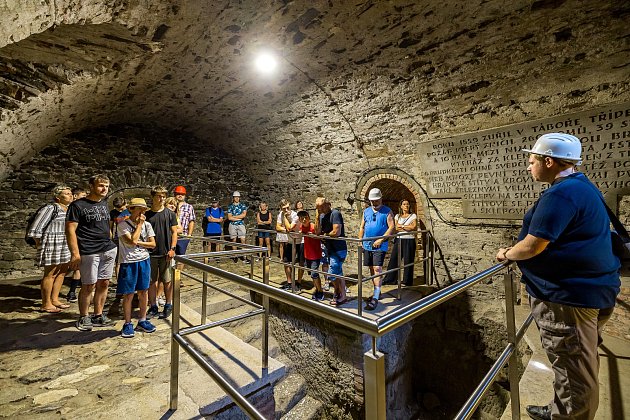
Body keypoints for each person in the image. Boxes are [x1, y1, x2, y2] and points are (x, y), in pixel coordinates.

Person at [495, 133, 620, 420]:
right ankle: (559, 410)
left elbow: (534, 244)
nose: (528, 167)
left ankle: (569, 414)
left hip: (567, 298)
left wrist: (506, 253)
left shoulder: (561, 194)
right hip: (590, 290)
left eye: (531, 161)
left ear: (548, 161)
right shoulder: (582, 186)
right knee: (575, 362)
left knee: (573, 368)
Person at [66, 174, 117, 331]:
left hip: (107, 249)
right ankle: (83, 316)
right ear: (92, 186)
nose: (104, 189)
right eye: (101, 185)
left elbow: (105, 225)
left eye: (107, 186)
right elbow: (70, 230)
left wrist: (110, 240)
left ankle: (98, 315)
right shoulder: (78, 206)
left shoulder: (103, 203)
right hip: (89, 250)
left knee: (104, 282)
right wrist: (75, 253)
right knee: (89, 285)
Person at [28, 185, 73, 313]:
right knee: (50, 273)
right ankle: (46, 303)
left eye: (70, 193)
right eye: (66, 193)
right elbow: (36, 228)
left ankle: (55, 299)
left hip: (65, 243)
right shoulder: (51, 208)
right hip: (53, 243)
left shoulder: (69, 209)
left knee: (62, 271)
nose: (70, 195)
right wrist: (39, 244)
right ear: (58, 197)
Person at [116, 198, 156, 338]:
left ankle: (142, 319)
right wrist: (139, 226)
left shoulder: (148, 225)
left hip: (144, 260)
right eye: (138, 208)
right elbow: (132, 242)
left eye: (143, 209)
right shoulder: (122, 225)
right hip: (129, 262)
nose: (141, 211)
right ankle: (127, 323)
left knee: (143, 292)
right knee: (128, 294)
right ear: (131, 209)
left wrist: (139, 241)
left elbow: (153, 244)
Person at [359, 188, 395, 311]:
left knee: (377, 268)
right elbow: (362, 226)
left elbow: (391, 227)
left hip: (380, 245)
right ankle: (377, 290)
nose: (374, 203)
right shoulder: (366, 211)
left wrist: (381, 239)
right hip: (367, 244)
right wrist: (360, 240)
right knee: (371, 268)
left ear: (381, 199)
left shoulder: (387, 211)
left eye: (376, 200)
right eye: (372, 201)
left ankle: (375, 297)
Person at [146, 186, 178, 319]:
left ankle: (168, 304)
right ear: (153, 197)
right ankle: (153, 306)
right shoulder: (147, 215)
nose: (162, 199)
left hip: (165, 252)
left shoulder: (170, 214)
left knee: (167, 280)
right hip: (151, 253)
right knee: (151, 281)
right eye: (159, 196)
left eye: (164, 196)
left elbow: (174, 232)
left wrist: (172, 249)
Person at [315, 196, 348, 306]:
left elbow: (336, 232)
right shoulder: (322, 216)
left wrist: (326, 235)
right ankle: (342, 295)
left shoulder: (335, 213)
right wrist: (317, 216)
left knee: (332, 274)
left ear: (327, 204)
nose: (321, 210)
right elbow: (317, 232)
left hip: (338, 248)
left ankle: (337, 292)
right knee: (339, 273)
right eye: (318, 208)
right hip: (330, 249)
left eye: (322, 208)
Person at [383, 199, 418, 286]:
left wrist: (401, 226)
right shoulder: (397, 216)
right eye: (404, 204)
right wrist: (406, 227)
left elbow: (413, 227)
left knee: (408, 260)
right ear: (401, 206)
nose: (406, 206)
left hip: (409, 239)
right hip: (399, 239)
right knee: (394, 259)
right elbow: (395, 228)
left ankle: (407, 281)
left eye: (407, 204)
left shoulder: (413, 216)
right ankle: (390, 279)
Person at [65, 186, 87, 302]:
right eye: (83, 196)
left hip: (79, 241)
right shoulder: (68, 209)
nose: (85, 198)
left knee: (77, 268)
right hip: (68, 242)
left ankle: (72, 292)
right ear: (75, 196)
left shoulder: (82, 208)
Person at [298, 210, 324, 301]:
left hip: (315, 254)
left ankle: (320, 291)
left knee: (314, 274)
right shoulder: (302, 227)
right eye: (302, 218)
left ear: (309, 218)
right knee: (312, 275)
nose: (304, 219)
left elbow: (319, 234)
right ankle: (317, 289)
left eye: (306, 217)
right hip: (307, 254)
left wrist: (314, 235)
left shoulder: (313, 227)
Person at [277, 199, 300, 291]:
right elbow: (277, 227)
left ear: (289, 205)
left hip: (299, 241)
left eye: (287, 208)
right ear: (281, 209)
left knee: (300, 263)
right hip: (290, 241)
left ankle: (298, 282)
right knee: (286, 262)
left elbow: (290, 228)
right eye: (284, 209)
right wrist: (285, 229)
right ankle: (289, 282)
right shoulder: (281, 214)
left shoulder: (295, 215)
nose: (286, 210)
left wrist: (285, 219)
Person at [174, 185, 195, 271]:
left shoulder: (189, 207)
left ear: (185, 195)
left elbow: (191, 221)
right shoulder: (171, 205)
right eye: (178, 194)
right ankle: (170, 278)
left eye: (182, 194)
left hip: (183, 235)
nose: (180, 195)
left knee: (181, 257)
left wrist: (189, 234)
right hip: (171, 234)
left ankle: (178, 277)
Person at [227, 191, 248, 262]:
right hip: (233, 225)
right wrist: (239, 217)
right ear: (233, 198)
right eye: (235, 197)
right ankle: (235, 256)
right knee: (234, 240)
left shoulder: (243, 205)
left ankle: (244, 256)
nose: (237, 198)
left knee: (243, 240)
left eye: (238, 197)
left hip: (240, 224)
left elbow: (244, 215)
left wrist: (234, 217)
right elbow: (229, 218)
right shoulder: (230, 206)